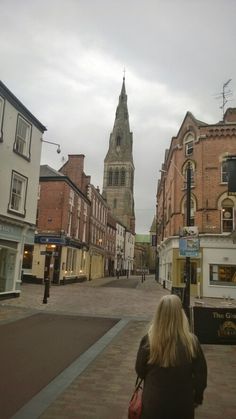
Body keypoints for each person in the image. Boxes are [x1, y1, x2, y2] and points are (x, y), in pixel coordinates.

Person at [135, 294, 207, 419]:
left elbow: (140, 370)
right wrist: (197, 397)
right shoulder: (192, 343)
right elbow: (201, 377)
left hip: (153, 405)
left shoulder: (149, 341)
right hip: (182, 406)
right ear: (181, 315)